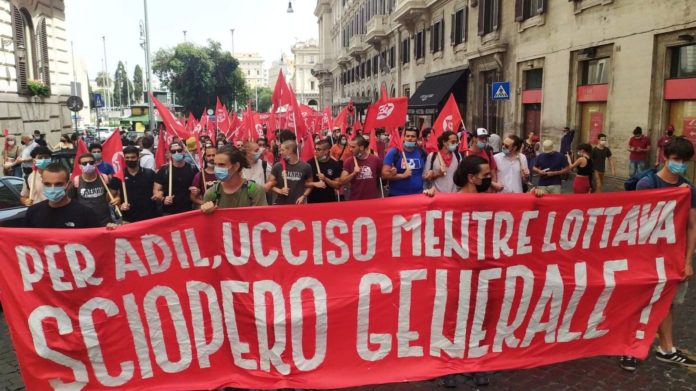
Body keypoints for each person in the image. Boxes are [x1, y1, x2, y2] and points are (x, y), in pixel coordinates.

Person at [619, 136, 696, 371]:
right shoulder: (647, 183)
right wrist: (673, 199)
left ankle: (667, 348)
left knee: (667, 303)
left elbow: (692, 226)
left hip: (672, 256)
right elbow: (638, 223)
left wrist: (688, 260)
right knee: (639, 301)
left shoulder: (689, 189)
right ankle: (629, 349)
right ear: (665, 157)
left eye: (684, 161)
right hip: (645, 254)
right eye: (676, 159)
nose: (680, 164)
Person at [24, 163, 101, 228]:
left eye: (58, 184)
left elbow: (97, 239)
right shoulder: (33, 212)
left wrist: (110, 230)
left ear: (68, 184)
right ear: (42, 183)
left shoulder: (85, 213)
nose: (52, 188)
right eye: (47, 184)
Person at [201, 145, 267, 213]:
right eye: (215, 164)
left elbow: (263, 220)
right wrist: (207, 212)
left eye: (222, 165)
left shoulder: (255, 191)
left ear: (236, 166)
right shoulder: (211, 194)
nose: (217, 169)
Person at [70, 152, 121, 226]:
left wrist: (117, 198)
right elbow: (70, 200)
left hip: (105, 221)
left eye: (91, 162)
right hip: (85, 222)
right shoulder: (76, 181)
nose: (88, 165)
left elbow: (113, 195)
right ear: (79, 166)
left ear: (95, 164)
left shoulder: (104, 178)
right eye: (84, 163)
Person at [153, 142, 199, 215]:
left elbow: (199, 188)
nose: (177, 153)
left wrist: (197, 191)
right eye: (173, 151)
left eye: (179, 150)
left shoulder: (192, 168)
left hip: (188, 211)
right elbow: (156, 190)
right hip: (168, 212)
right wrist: (163, 199)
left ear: (184, 151)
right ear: (170, 153)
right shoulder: (164, 170)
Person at [119, 146, 159, 222]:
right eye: (127, 157)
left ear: (138, 157)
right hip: (129, 219)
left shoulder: (149, 173)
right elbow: (112, 197)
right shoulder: (120, 176)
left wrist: (159, 193)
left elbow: (159, 190)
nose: (130, 160)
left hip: (150, 217)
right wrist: (120, 204)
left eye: (133, 157)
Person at [267, 140, 313, 205]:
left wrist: (303, 196)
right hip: (281, 204)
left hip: (298, 204)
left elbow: (310, 185)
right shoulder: (278, 166)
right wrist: (280, 191)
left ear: (290, 150)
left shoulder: (306, 166)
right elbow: (269, 184)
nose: (280, 153)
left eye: (282, 150)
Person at [382, 128, 426, 196]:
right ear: (404, 137)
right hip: (397, 196)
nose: (410, 138)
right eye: (407, 136)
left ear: (417, 138)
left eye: (413, 136)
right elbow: (384, 175)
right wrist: (402, 175)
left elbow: (425, 173)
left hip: (418, 195)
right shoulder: (394, 152)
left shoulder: (422, 153)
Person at [339, 136, 384, 201]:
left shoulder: (375, 159)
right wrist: (353, 173)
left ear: (361, 147)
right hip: (355, 200)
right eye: (350, 146)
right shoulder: (349, 161)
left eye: (353, 147)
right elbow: (341, 181)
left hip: (373, 200)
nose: (350, 149)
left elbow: (380, 175)